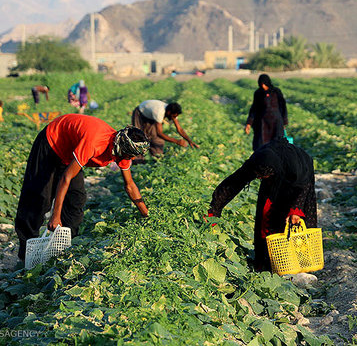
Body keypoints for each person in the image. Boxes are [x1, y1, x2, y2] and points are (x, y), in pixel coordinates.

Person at [15, 114, 150, 261]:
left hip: (70, 152)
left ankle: (64, 250)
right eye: (130, 155)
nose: (131, 159)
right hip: (52, 142)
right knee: (39, 198)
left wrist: (146, 215)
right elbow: (66, 178)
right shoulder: (95, 142)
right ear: (121, 147)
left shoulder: (123, 153)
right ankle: (26, 253)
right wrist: (56, 215)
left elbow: (130, 186)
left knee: (76, 199)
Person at [208, 138, 316, 271]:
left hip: (300, 180)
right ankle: (265, 263)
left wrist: (296, 209)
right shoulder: (258, 162)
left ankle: (300, 264)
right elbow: (234, 182)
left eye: (261, 176)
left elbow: (303, 186)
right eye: (257, 176)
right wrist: (215, 209)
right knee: (266, 215)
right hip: (274, 177)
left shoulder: (295, 165)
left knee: (295, 223)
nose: (258, 178)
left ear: (270, 172)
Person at [131, 100, 198, 159]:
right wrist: (177, 141)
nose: (174, 118)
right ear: (169, 112)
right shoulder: (159, 112)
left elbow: (179, 129)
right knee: (138, 138)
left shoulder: (172, 112)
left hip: (151, 117)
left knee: (157, 140)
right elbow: (159, 133)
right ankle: (138, 162)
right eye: (173, 116)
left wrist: (189, 141)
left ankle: (158, 159)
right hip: (140, 113)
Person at [245, 74, 288, 151]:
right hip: (262, 123)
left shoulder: (276, 92)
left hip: (276, 122)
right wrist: (249, 123)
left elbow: (283, 106)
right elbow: (254, 108)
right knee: (261, 146)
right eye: (261, 84)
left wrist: (284, 121)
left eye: (264, 84)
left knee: (277, 144)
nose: (263, 86)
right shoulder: (258, 93)